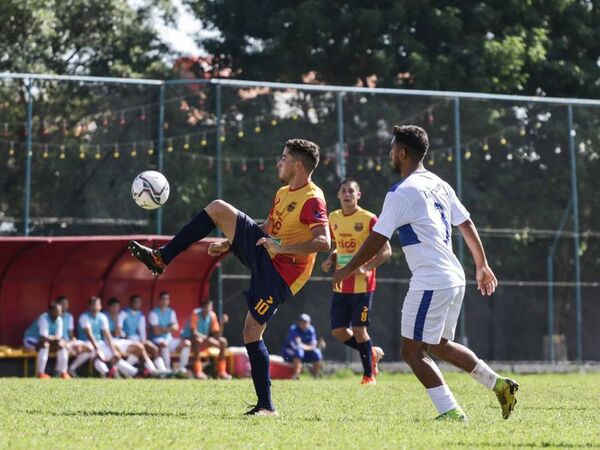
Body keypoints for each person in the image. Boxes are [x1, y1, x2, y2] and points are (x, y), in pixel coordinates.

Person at [129, 138, 330, 416]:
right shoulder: (284, 192)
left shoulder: (312, 198)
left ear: (297, 165)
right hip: (266, 252)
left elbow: (324, 242)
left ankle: (266, 407)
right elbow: (268, 227)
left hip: (282, 275)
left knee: (250, 331)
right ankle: (162, 257)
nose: (278, 162)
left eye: (283, 158)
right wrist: (229, 243)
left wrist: (281, 247)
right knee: (217, 208)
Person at [333, 125, 518, 421]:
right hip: (454, 277)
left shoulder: (400, 192)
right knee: (437, 345)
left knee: (412, 352)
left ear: (402, 153)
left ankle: (451, 413)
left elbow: (379, 237)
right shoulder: (440, 184)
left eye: (393, 149)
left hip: (431, 280)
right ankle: (499, 384)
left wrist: (347, 268)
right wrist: (481, 265)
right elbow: (466, 223)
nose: (390, 154)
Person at [321, 178, 391, 385]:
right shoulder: (333, 218)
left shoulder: (369, 219)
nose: (347, 194)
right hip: (341, 283)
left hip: (362, 286)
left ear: (358, 195)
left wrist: (367, 267)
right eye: (343, 191)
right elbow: (337, 246)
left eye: (351, 191)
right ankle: (372, 352)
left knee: (360, 330)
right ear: (338, 195)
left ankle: (368, 375)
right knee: (338, 330)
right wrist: (330, 258)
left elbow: (386, 251)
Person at [77, 296, 138, 378]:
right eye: (93, 304)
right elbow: (89, 335)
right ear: (89, 306)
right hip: (86, 343)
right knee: (97, 355)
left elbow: (107, 334)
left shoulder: (102, 317)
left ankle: (135, 372)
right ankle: (107, 372)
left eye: (97, 304)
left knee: (114, 356)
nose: (95, 306)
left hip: (99, 343)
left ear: (100, 306)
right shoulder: (84, 317)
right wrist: (97, 349)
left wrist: (113, 350)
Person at [105, 297, 160, 377]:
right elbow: (116, 333)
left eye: (117, 307)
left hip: (121, 341)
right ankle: (135, 372)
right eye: (114, 307)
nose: (116, 309)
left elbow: (120, 334)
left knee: (140, 347)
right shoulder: (105, 316)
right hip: (109, 343)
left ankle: (153, 370)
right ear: (109, 307)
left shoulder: (135, 315)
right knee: (116, 354)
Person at [181, 300, 232, 380]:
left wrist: (221, 323)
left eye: (210, 308)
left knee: (223, 342)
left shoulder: (212, 315)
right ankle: (198, 371)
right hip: (190, 340)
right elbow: (193, 332)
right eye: (206, 307)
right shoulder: (196, 313)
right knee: (198, 340)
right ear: (202, 308)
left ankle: (221, 371)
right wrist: (207, 339)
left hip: (204, 340)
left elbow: (217, 335)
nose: (208, 310)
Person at [120, 294, 169, 374]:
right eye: (135, 302)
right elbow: (119, 328)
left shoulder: (141, 315)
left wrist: (143, 341)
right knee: (140, 349)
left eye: (139, 302)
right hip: (126, 340)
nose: (137, 304)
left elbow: (142, 331)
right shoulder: (124, 313)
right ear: (131, 303)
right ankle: (152, 371)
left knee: (153, 348)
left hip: (137, 340)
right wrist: (124, 336)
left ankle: (163, 370)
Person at [148, 291, 192, 377]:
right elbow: (156, 331)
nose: (165, 301)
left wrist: (163, 329)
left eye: (167, 299)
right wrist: (169, 328)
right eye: (163, 299)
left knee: (187, 343)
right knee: (164, 344)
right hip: (156, 339)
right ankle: (167, 370)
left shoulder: (171, 312)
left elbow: (175, 328)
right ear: (159, 300)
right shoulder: (153, 313)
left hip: (169, 339)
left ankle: (181, 369)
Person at [23, 302, 70, 379]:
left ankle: (63, 372)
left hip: (48, 341)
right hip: (30, 341)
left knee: (61, 345)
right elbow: (43, 337)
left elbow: (59, 337)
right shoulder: (43, 318)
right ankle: (40, 373)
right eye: (55, 311)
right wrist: (56, 339)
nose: (58, 313)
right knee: (45, 345)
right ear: (50, 311)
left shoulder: (59, 319)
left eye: (59, 312)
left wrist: (59, 341)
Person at [56, 295, 95, 377]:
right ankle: (61, 372)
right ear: (58, 305)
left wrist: (74, 341)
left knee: (89, 349)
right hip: (57, 342)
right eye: (62, 303)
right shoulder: (54, 316)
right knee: (63, 347)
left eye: (66, 304)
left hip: (68, 341)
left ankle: (72, 368)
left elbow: (71, 334)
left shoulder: (69, 316)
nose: (64, 306)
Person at [281, 314, 322, 379]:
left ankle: (316, 375)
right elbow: (297, 346)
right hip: (288, 352)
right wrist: (309, 347)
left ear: (309, 322)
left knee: (317, 353)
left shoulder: (311, 329)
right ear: (298, 322)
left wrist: (306, 346)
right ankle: (296, 375)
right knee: (299, 352)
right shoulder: (294, 329)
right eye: (301, 321)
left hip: (303, 351)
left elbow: (313, 345)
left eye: (305, 322)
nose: (303, 323)